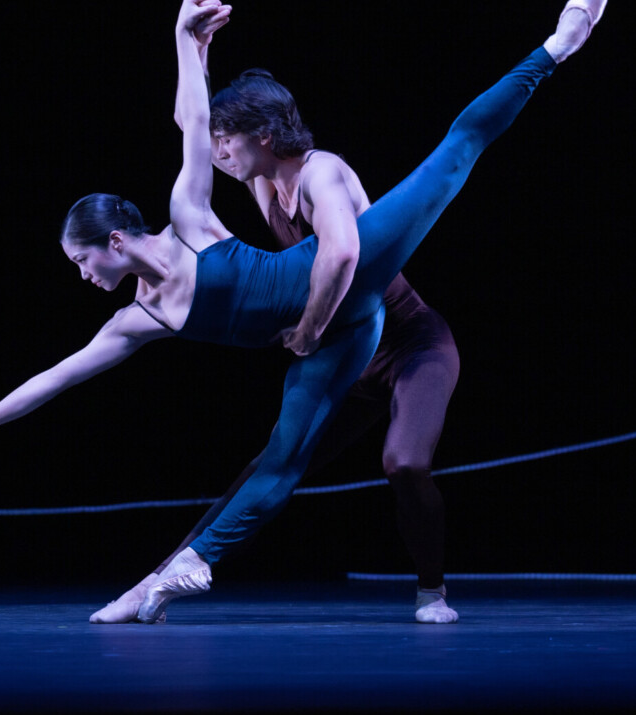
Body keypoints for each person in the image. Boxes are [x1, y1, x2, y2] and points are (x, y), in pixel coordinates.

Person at [0, 0, 609, 623]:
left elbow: (226, 150)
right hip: (347, 338)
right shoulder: (137, 319)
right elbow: (58, 375)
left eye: (82, 260)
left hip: (354, 307)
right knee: (275, 466)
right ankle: (160, 583)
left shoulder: (203, 213)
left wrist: (184, 40)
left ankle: (554, 48)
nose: (81, 275)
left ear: (114, 241)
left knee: (453, 154)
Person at [90, 79, 470, 625]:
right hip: (347, 359)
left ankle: (431, 591)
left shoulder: (321, 172)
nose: (219, 153)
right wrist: (194, 50)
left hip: (410, 342)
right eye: (217, 141)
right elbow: (190, 124)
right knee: (263, 470)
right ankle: (154, 584)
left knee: (404, 462)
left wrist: (310, 329)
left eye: (228, 140)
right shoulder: (263, 185)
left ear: (262, 136)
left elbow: (342, 254)